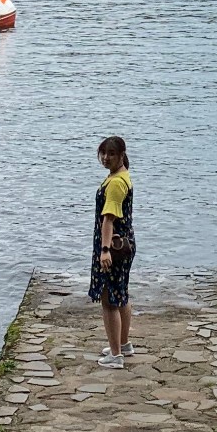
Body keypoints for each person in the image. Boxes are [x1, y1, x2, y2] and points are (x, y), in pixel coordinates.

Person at [88, 135, 136, 368]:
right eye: (103, 153)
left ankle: (115, 355)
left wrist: (104, 250)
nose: (106, 158)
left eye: (111, 154)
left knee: (109, 299)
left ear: (121, 155)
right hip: (126, 243)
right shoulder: (122, 176)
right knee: (121, 292)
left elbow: (108, 219)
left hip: (114, 246)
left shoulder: (116, 183)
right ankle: (123, 344)